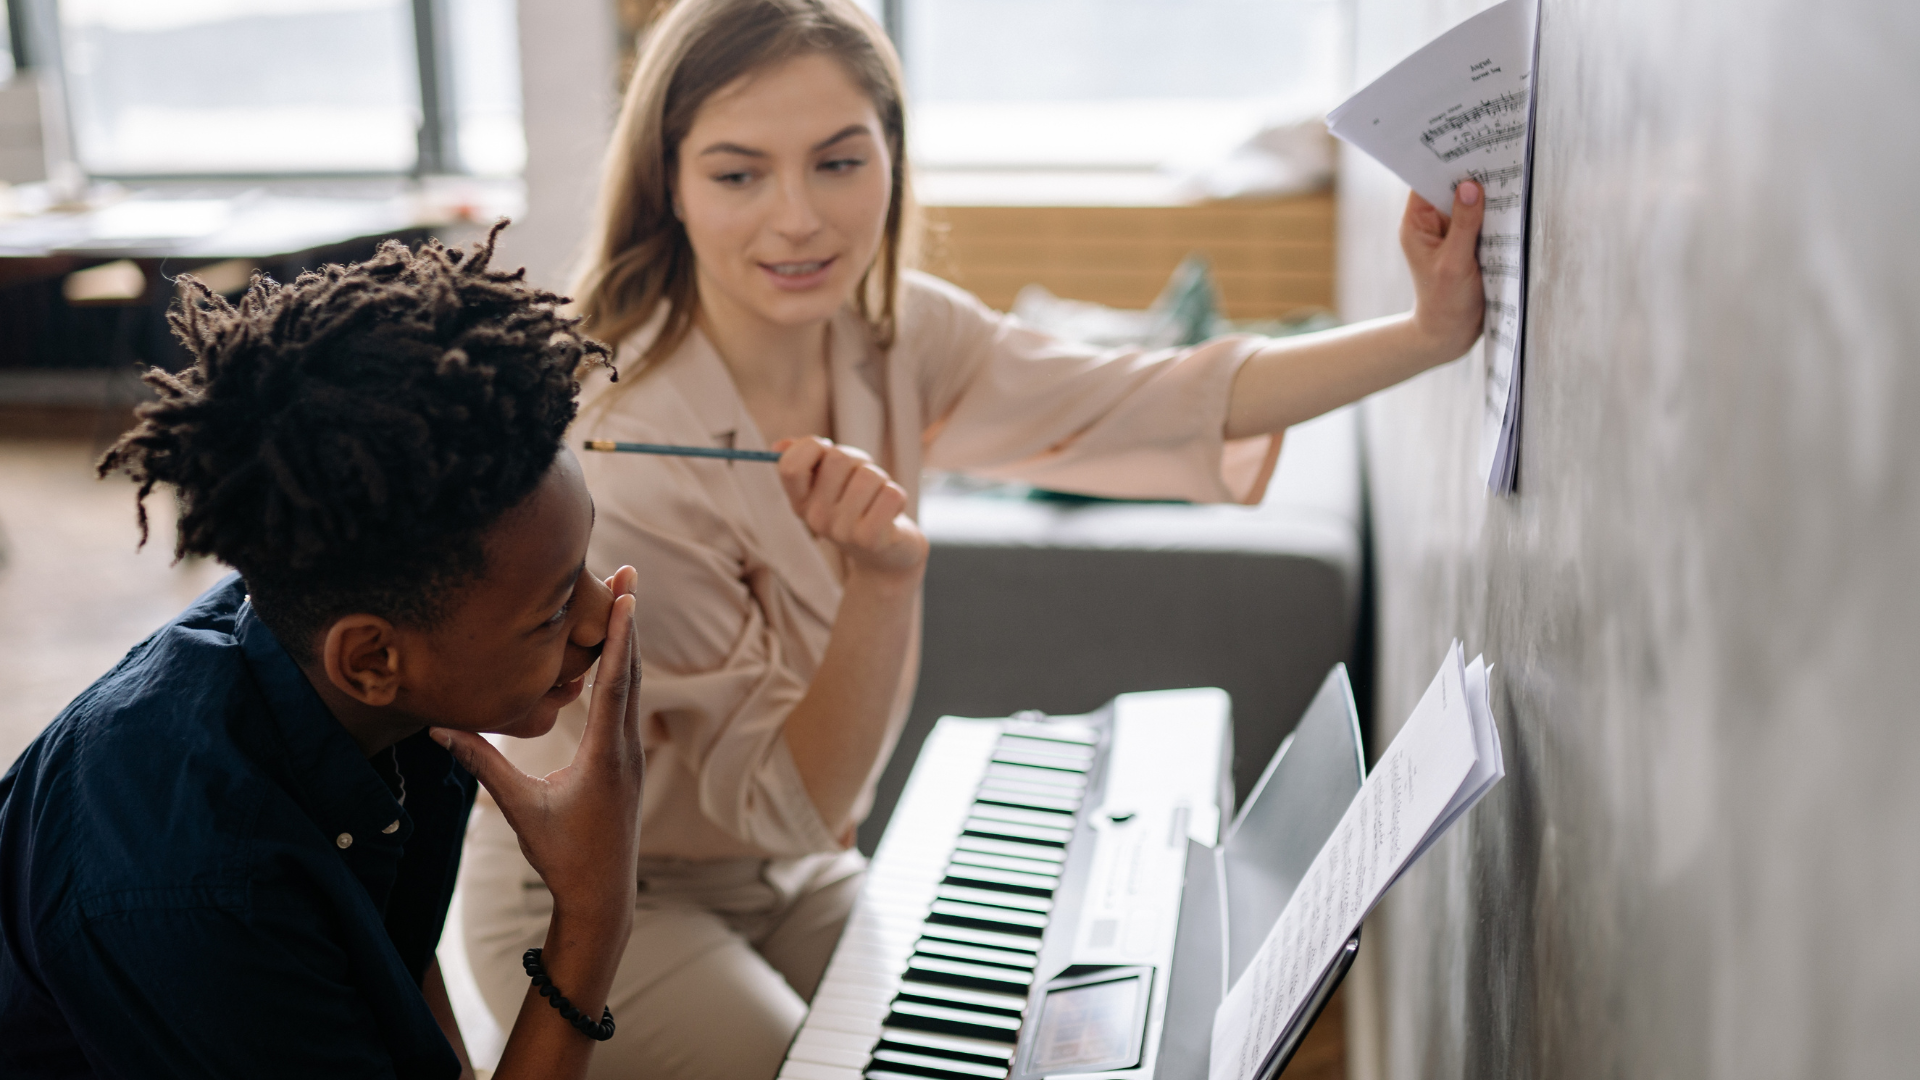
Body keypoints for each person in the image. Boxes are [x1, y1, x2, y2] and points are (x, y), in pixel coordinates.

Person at [459, 1, 1489, 1077]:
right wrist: (885, 581)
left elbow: (1151, 399)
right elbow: (794, 801)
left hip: (784, 875)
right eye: (737, 173)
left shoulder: (899, 332)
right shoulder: (629, 444)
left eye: (839, 162)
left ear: (892, 158)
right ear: (669, 180)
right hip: (597, 892)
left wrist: (1427, 335)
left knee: (1026, 1033)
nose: (800, 220)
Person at [0, 228, 649, 1079]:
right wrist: (594, 916)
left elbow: (399, 993)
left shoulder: (371, 674)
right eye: (557, 606)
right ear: (372, 662)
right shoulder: (201, 896)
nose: (603, 618)